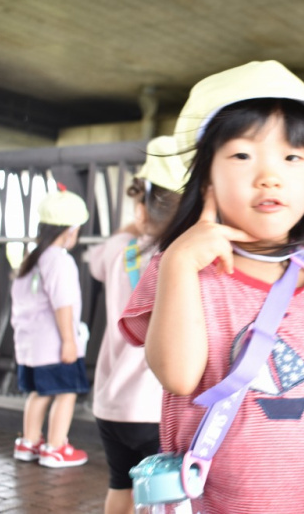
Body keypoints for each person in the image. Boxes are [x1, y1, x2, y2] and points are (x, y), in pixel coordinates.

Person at [119, 60, 304, 513]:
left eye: (292, 157)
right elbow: (178, 376)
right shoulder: (180, 272)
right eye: (242, 155)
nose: (269, 176)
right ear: (206, 177)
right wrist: (180, 262)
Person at [88, 135, 184, 514]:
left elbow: (96, 262)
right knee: (159, 499)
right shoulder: (183, 261)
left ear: (141, 208)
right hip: (155, 409)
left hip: (110, 405)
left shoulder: (118, 250)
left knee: (120, 487)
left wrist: (136, 221)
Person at [10, 186, 91, 468]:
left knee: (39, 393)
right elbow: (63, 304)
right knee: (66, 393)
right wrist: (69, 341)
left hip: (30, 346)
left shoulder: (31, 259)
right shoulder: (60, 260)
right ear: (70, 230)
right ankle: (56, 448)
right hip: (55, 344)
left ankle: (29, 442)